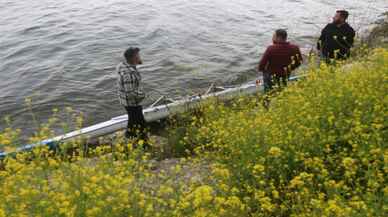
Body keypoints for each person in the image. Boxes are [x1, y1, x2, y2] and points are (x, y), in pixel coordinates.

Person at [116, 47, 149, 145]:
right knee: (141, 123)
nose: (140, 57)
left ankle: (129, 136)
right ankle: (144, 144)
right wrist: (143, 95)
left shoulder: (124, 66)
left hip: (125, 100)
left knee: (132, 120)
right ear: (133, 58)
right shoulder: (128, 74)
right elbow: (130, 93)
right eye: (138, 55)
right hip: (131, 102)